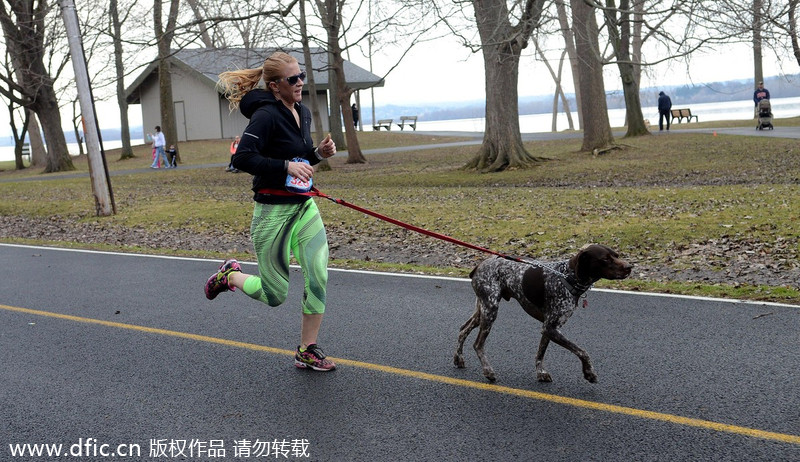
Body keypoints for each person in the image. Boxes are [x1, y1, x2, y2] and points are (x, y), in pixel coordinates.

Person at [209, 51, 338, 371]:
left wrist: (317, 154)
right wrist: (286, 166)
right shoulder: (265, 116)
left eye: (301, 77)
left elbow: (298, 157)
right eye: (292, 79)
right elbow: (242, 159)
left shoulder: (302, 112)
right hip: (273, 214)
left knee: (319, 273)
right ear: (275, 85)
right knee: (274, 294)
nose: (300, 83)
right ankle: (231, 276)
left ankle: (307, 349)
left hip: (303, 207)